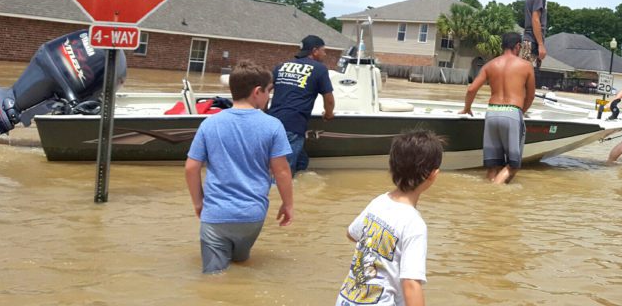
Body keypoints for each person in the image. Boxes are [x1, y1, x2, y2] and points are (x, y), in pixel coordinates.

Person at [184, 60, 294, 274]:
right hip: (252, 215)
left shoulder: (209, 123)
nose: (269, 96)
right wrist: (287, 204)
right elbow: (282, 171)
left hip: (216, 213)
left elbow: (191, 168)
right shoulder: (273, 125)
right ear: (257, 92)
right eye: (268, 91)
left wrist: (198, 203)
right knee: (240, 265)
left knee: (214, 275)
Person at [337, 130, 444, 306]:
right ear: (433, 174)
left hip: (347, 300)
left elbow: (351, 234)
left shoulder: (379, 202)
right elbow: (411, 284)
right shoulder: (414, 224)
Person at [460, 32, 536, 183]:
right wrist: (520, 112)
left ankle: (487, 196)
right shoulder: (526, 66)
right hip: (512, 112)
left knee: (493, 166)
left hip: (492, 112)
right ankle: (494, 193)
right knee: (513, 166)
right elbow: (531, 96)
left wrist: (467, 108)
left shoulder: (490, 65)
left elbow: (471, 89)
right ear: (518, 46)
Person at [269, 34, 335, 173]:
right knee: (283, 173)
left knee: (302, 162)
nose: (325, 53)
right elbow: (328, 98)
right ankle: (276, 193)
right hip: (293, 126)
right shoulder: (319, 69)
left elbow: (264, 90)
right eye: (323, 50)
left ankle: (298, 189)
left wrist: (263, 114)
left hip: (271, 123)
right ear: (315, 50)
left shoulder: (281, 66)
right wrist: (329, 115)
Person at [521, 0, 562, 68]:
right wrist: (540, 44)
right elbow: (535, 19)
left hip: (531, 40)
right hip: (532, 40)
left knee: (529, 75)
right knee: (527, 75)